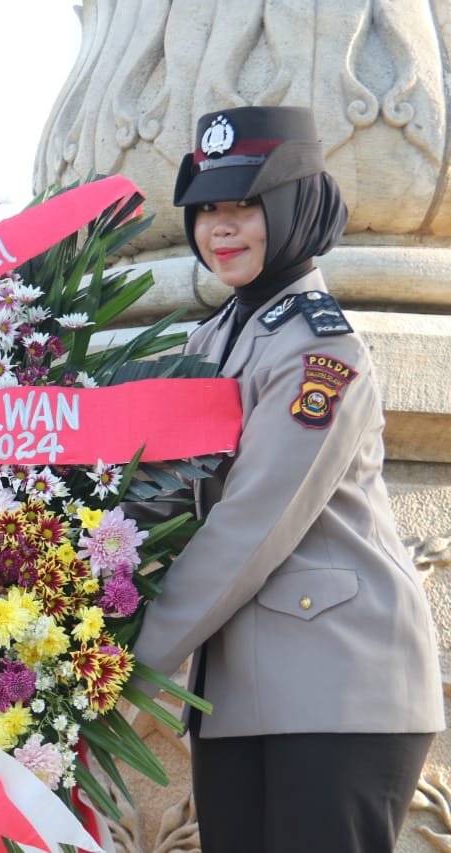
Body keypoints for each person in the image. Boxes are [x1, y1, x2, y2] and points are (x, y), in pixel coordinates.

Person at [131, 106, 444, 852]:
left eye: (245, 204)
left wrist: (123, 667)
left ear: (295, 204)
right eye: (207, 207)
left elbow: (250, 524)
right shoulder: (216, 336)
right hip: (240, 696)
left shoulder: (317, 350)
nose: (220, 227)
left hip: (338, 693)